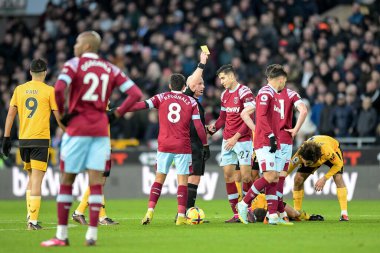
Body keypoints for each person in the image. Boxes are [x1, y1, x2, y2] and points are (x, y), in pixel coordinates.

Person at [41, 31, 142, 247]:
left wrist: (63, 111)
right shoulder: (110, 68)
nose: (75, 45)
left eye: (77, 42)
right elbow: (135, 94)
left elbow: (58, 89)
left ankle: (61, 236)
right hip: (100, 130)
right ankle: (92, 236)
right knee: (96, 183)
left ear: (86, 46)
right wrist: (115, 114)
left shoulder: (73, 64)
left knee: (67, 180)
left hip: (77, 128)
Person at [126, 73, 209, 226]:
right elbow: (198, 126)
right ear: (184, 87)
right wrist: (205, 144)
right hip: (182, 146)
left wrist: (122, 108)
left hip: (164, 145)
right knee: (182, 181)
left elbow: (142, 105)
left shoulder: (161, 97)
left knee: (159, 179)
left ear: (170, 86)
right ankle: (181, 216)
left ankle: (150, 211)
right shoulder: (191, 101)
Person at [1, 59, 63, 230]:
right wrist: (68, 131)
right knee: (37, 180)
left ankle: (30, 216)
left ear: (30, 72)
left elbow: (10, 115)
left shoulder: (19, 90)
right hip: (40, 140)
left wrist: (6, 138)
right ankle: (33, 222)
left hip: (24, 140)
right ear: (45, 72)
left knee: (30, 178)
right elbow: (58, 116)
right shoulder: (49, 91)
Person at [236, 64, 287, 225]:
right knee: (270, 176)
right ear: (280, 79)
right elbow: (261, 116)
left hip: (273, 140)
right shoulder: (265, 93)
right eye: (284, 81)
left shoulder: (274, 95)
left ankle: (272, 216)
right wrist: (270, 135)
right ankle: (244, 203)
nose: (284, 84)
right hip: (265, 141)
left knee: (275, 178)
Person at [207, 64, 255, 223]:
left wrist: (236, 137)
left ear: (232, 76)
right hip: (228, 140)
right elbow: (222, 118)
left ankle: (248, 209)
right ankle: (236, 214)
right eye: (220, 79)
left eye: (223, 78)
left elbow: (250, 118)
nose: (221, 81)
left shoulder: (245, 92)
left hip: (242, 140)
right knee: (229, 176)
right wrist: (212, 129)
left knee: (246, 177)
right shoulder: (224, 95)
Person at [287, 135, 349, 221]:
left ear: (315, 159)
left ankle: (344, 214)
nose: (305, 165)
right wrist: (280, 178)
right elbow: (290, 167)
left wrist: (324, 178)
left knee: (338, 177)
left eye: (308, 164)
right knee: (298, 179)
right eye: (304, 162)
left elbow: (338, 164)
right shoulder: (301, 153)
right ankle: (297, 212)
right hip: (313, 152)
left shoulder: (327, 152)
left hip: (333, 148)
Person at [183, 52, 210, 211]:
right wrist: (202, 63)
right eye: (199, 84)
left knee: (193, 178)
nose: (202, 86)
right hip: (193, 145)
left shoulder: (194, 102)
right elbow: (191, 83)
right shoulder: (188, 97)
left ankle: (186, 210)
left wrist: (208, 130)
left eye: (203, 83)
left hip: (194, 144)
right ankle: (187, 211)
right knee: (194, 178)